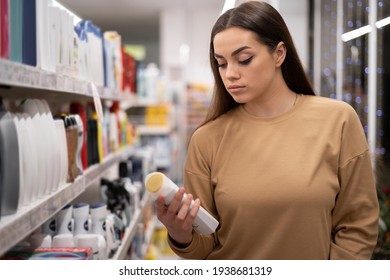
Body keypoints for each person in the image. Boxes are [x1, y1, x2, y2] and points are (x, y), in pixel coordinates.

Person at [155, 1, 379, 259]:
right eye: (221, 63)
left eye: (244, 59)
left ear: (279, 54)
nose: (230, 74)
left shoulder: (337, 120)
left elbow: (358, 225)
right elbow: (204, 244)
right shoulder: (206, 140)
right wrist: (180, 232)